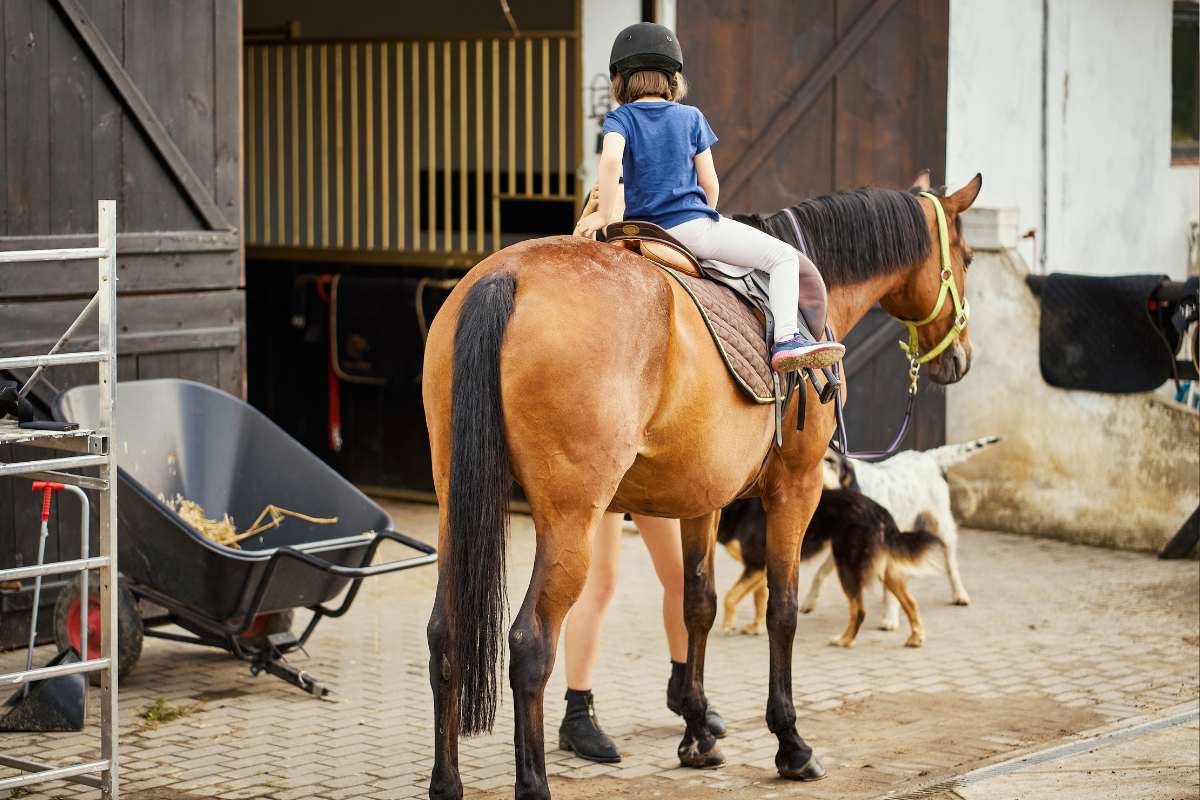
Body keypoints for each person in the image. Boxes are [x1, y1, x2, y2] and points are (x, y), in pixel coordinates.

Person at [574, 22, 844, 373]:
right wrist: (704, 217)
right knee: (783, 260)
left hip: (640, 233)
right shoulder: (691, 118)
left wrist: (608, 219)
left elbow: (611, 161)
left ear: (620, 80)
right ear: (673, 79)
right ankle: (787, 340)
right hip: (691, 230)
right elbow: (710, 183)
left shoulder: (619, 118)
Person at [557, 512, 726, 763]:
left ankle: (683, 684)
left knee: (681, 575)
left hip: (646, 474)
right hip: (605, 476)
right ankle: (577, 712)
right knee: (600, 584)